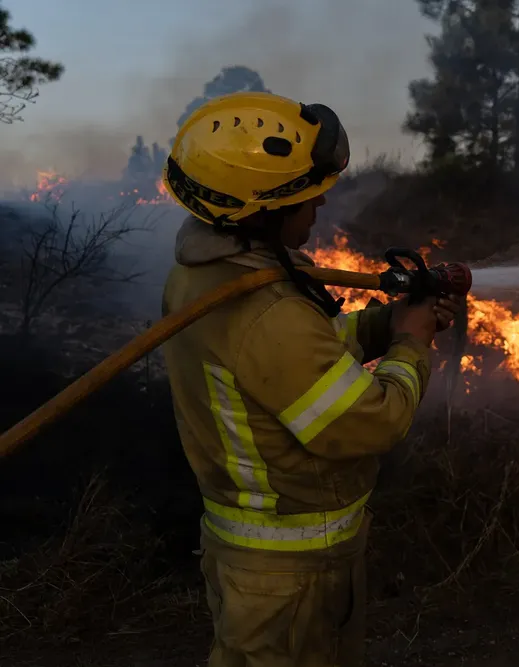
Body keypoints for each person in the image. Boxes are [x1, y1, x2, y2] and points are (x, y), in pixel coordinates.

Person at [159, 91, 462, 667]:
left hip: (259, 559)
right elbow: (368, 422)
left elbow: (302, 362)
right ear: (263, 208)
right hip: (289, 575)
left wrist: (385, 323)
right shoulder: (266, 310)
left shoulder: (215, 275)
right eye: (306, 194)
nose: (320, 204)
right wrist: (411, 342)